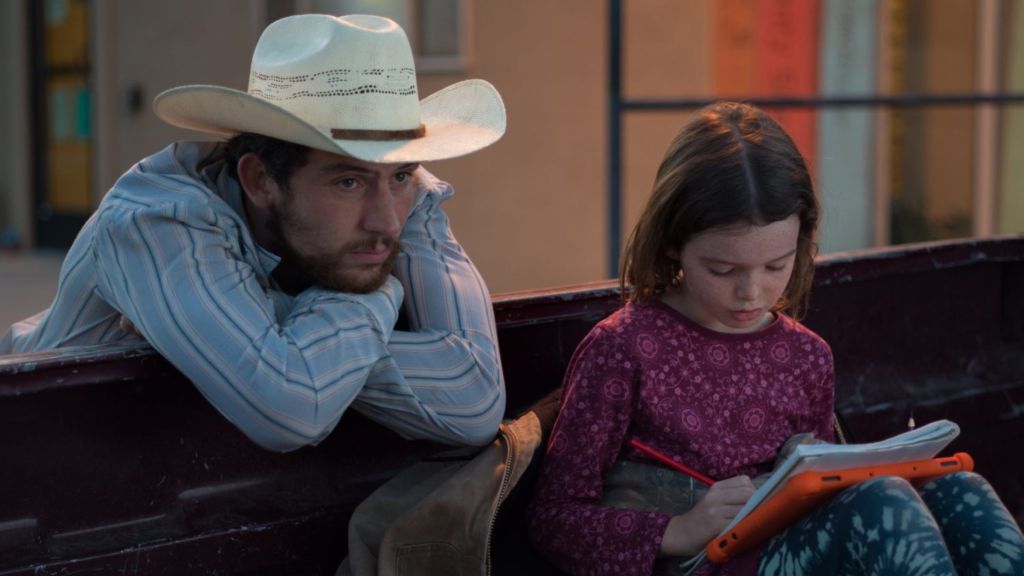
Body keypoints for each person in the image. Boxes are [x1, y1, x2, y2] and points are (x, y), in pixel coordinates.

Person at [527, 102, 1024, 576]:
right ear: (673, 241)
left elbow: (828, 490)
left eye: (775, 266)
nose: (751, 292)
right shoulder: (622, 348)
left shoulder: (807, 355)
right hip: (707, 563)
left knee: (962, 490)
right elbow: (553, 520)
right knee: (883, 505)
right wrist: (679, 530)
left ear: (801, 243)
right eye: (722, 269)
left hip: (795, 544)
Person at [0, 14, 507, 452]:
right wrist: (379, 296)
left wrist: (274, 321)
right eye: (347, 182)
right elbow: (292, 408)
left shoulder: (403, 194)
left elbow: (475, 400)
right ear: (260, 179)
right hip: (31, 463)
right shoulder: (157, 219)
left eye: (399, 176)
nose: (387, 223)